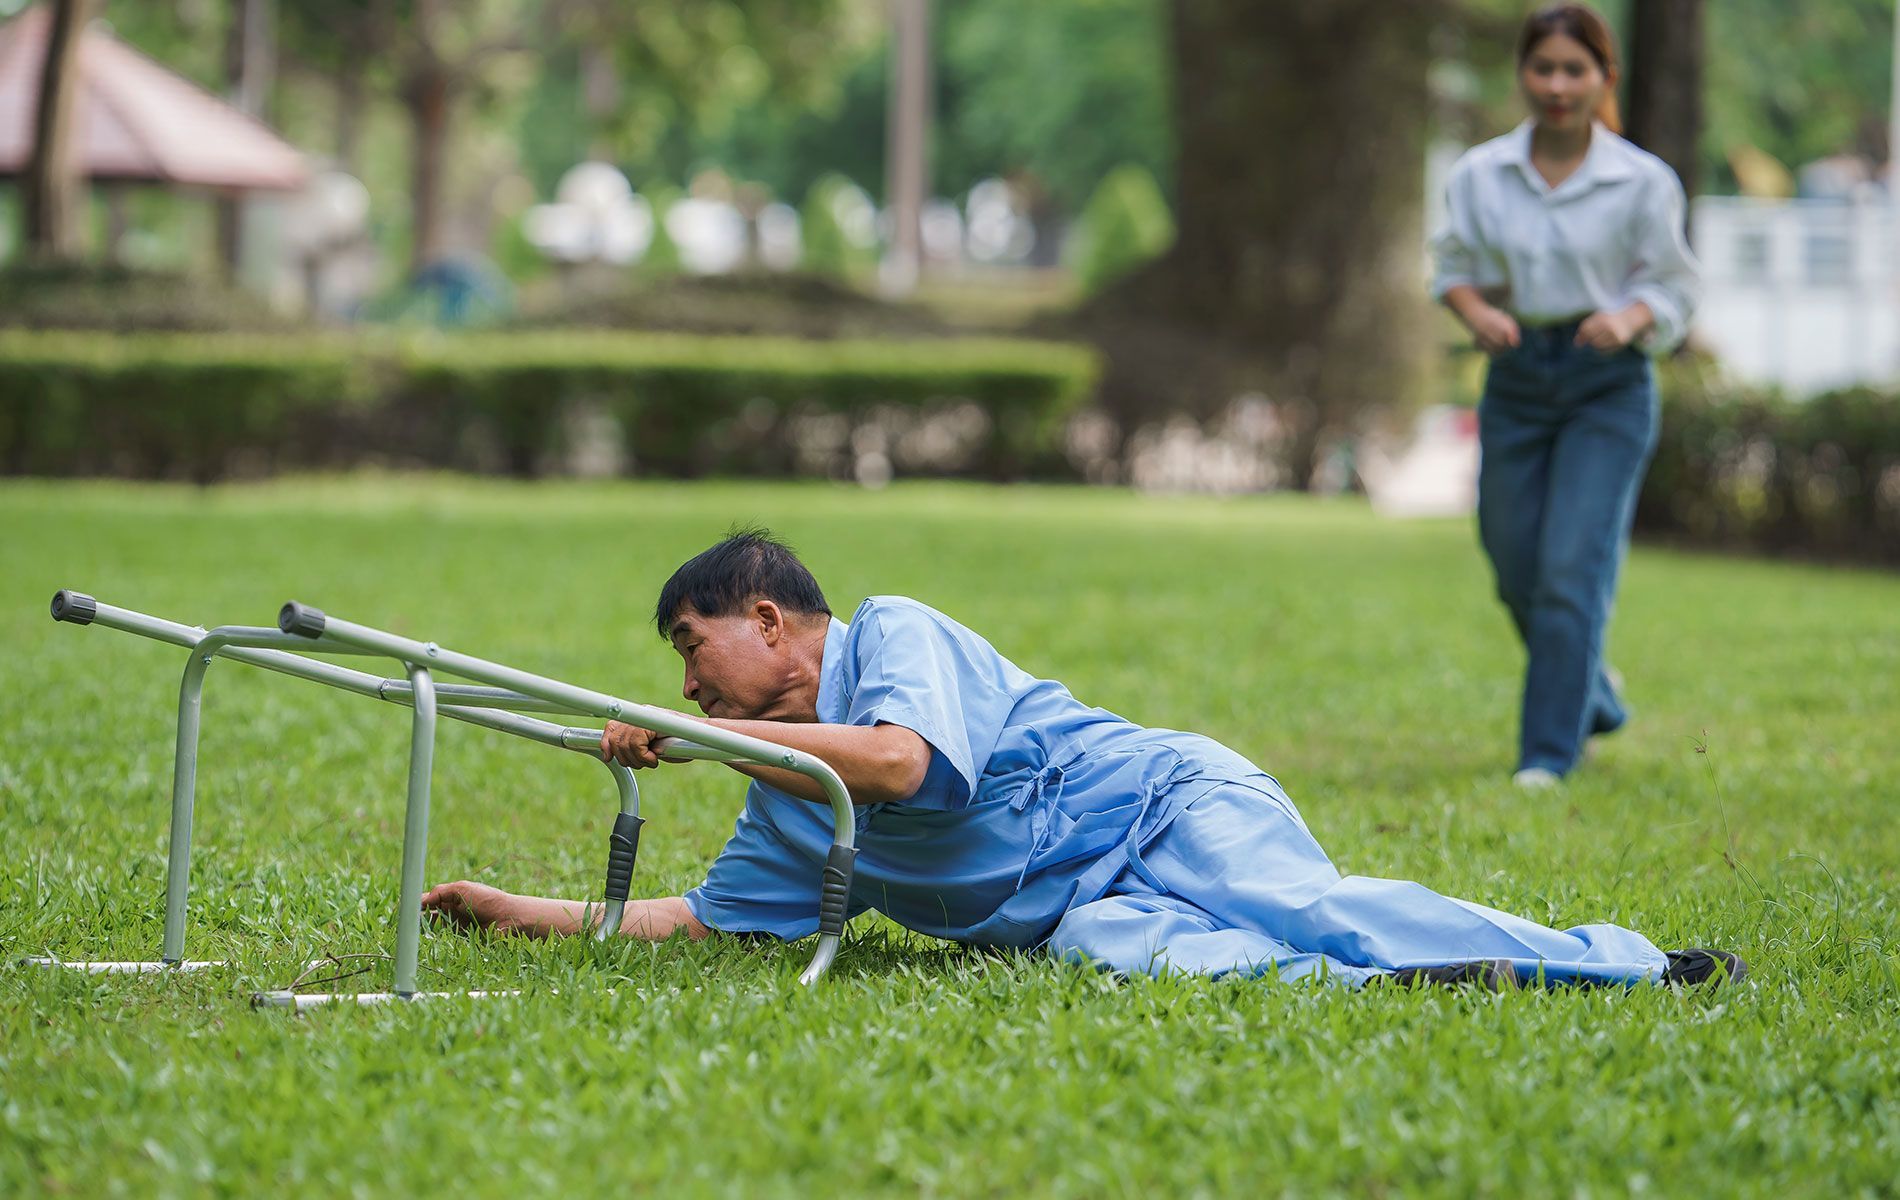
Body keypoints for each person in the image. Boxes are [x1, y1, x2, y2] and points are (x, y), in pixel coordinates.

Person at [423, 530, 1744, 990]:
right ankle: (1437, 984)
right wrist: (512, 911)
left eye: (693, 648)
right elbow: (703, 924)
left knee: (1300, 906)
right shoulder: (784, 799)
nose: (689, 684)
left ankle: (1618, 962)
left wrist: (719, 737)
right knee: (1119, 956)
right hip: (1086, 909)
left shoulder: (897, 637)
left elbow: (902, 769)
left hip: (1168, 803)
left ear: (766, 621)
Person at [1430, 4, 1701, 788]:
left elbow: (1677, 285)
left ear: (1603, 78)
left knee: (1569, 569)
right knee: (1513, 560)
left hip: (1605, 386)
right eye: (1542, 68)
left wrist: (1630, 316)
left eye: (1573, 70)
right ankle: (1592, 691)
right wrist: (1479, 314)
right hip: (1518, 377)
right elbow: (1450, 270)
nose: (1557, 85)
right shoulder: (1481, 174)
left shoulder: (1642, 181)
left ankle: (1546, 754)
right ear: (1522, 75)